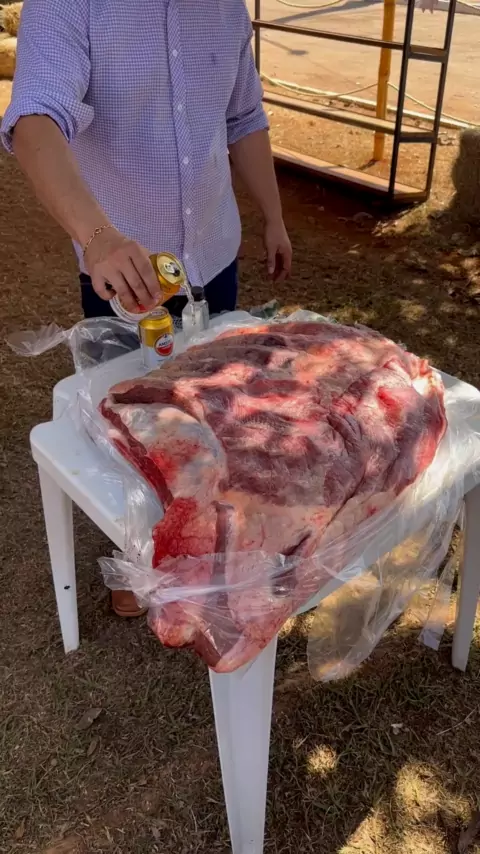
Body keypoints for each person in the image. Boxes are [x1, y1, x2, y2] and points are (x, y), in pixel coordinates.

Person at [1, 0, 292, 617]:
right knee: (132, 430)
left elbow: (243, 118)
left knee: (216, 412)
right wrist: (97, 235)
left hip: (215, 255)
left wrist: (274, 217)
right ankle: (133, 556)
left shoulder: (224, 9)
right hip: (123, 273)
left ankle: (206, 539)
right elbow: (34, 120)